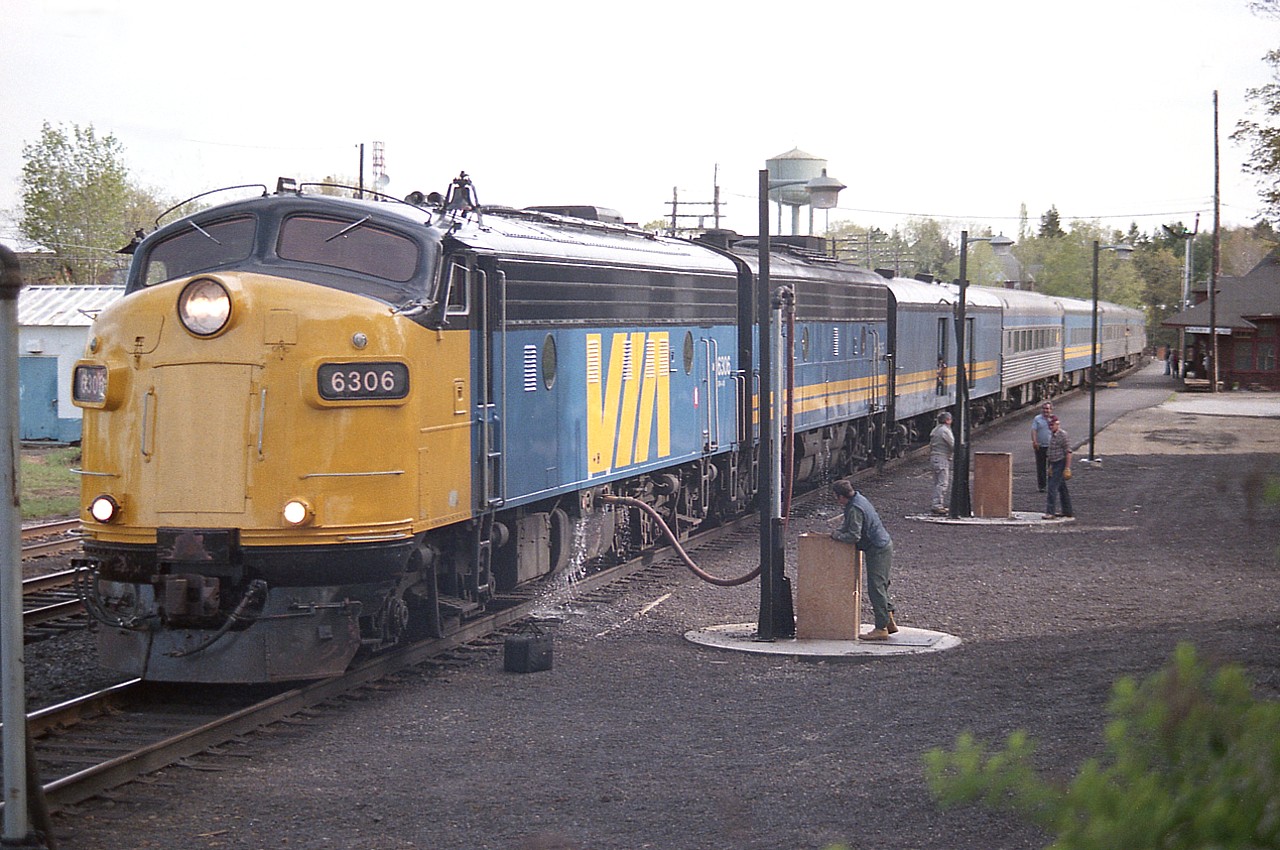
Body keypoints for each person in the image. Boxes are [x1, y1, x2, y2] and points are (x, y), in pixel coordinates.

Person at [831, 479, 897, 640]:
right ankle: (889, 622)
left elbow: (854, 536)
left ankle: (881, 628)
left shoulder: (855, 508)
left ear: (841, 496)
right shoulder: (858, 499)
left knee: (876, 587)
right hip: (881, 545)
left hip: (878, 548)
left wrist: (837, 536)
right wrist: (839, 531)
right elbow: (849, 525)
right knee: (881, 585)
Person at [1043, 415, 1074, 519]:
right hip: (1053, 463)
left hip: (1060, 462)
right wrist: (1050, 466)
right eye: (1049, 425)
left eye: (1052, 425)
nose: (1050, 427)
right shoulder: (1052, 435)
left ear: (1057, 424)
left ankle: (1050, 512)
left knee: (1052, 487)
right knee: (1062, 488)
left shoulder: (1063, 435)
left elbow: (1068, 452)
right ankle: (1067, 511)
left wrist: (1067, 468)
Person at [928, 411, 954, 515]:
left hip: (934, 457)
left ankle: (937, 504)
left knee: (937, 482)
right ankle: (937, 505)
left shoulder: (936, 429)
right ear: (948, 420)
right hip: (942, 458)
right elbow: (953, 444)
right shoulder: (945, 431)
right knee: (942, 483)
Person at [1031, 401, 1053, 493]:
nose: (1045, 411)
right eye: (1044, 409)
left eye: (1047, 409)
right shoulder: (1037, 419)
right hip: (1040, 446)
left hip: (1051, 446)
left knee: (1052, 467)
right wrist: (1034, 441)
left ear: (1051, 410)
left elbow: (1057, 431)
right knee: (1041, 467)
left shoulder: (1053, 419)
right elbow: (1034, 430)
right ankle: (1042, 486)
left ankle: (1052, 485)